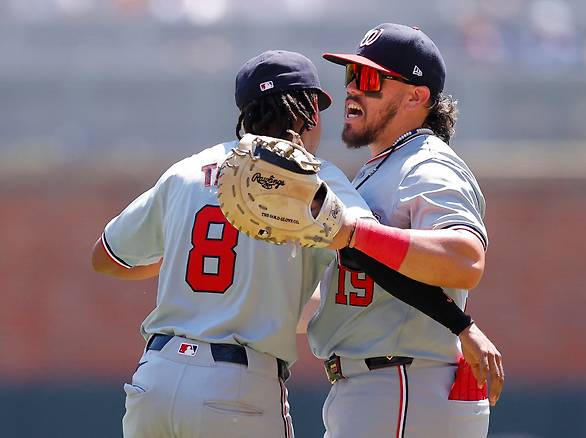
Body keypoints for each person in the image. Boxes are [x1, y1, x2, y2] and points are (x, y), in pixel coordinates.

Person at [90, 50, 372, 438]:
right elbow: (369, 243)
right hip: (237, 388)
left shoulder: (186, 171)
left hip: (155, 377)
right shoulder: (313, 176)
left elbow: (105, 257)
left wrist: (175, 256)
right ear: (308, 111)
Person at [305, 23, 503, 437]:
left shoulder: (427, 164)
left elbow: (465, 259)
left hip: (403, 384)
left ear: (417, 96)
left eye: (371, 78)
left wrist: (356, 235)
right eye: (351, 75)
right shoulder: (380, 170)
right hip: (381, 386)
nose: (353, 90)